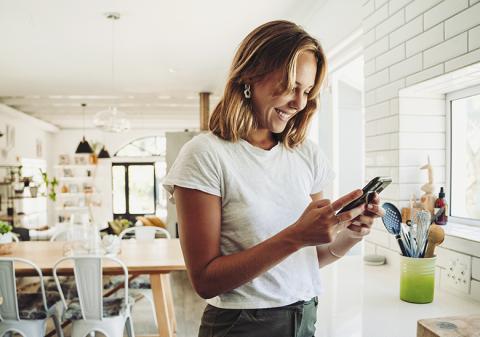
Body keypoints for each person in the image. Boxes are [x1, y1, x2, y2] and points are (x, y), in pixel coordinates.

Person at [163, 20, 384, 337]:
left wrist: (350, 234)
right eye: (292, 85)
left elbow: (309, 259)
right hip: (241, 326)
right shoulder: (205, 154)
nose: (299, 102)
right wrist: (296, 235)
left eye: (307, 90)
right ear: (251, 75)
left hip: (304, 318)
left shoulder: (305, 154)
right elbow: (205, 281)